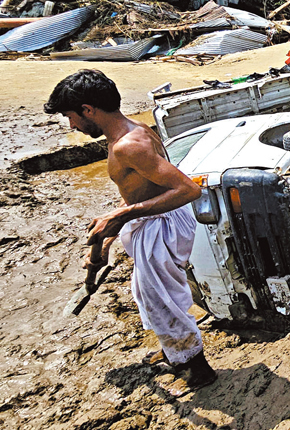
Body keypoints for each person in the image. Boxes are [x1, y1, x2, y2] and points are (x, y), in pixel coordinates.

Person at [44, 70, 215, 388]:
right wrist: (110, 235)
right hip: (152, 220)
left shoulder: (128, 145)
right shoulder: (131, 131)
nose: (72, 127)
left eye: (70, 117)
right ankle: (175, 352)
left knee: (163, 300)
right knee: (147, 293)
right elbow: (142, 189)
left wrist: (123, 214)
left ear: (88, 110)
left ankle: (197, 368)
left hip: (162, 225)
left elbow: (189, 190)